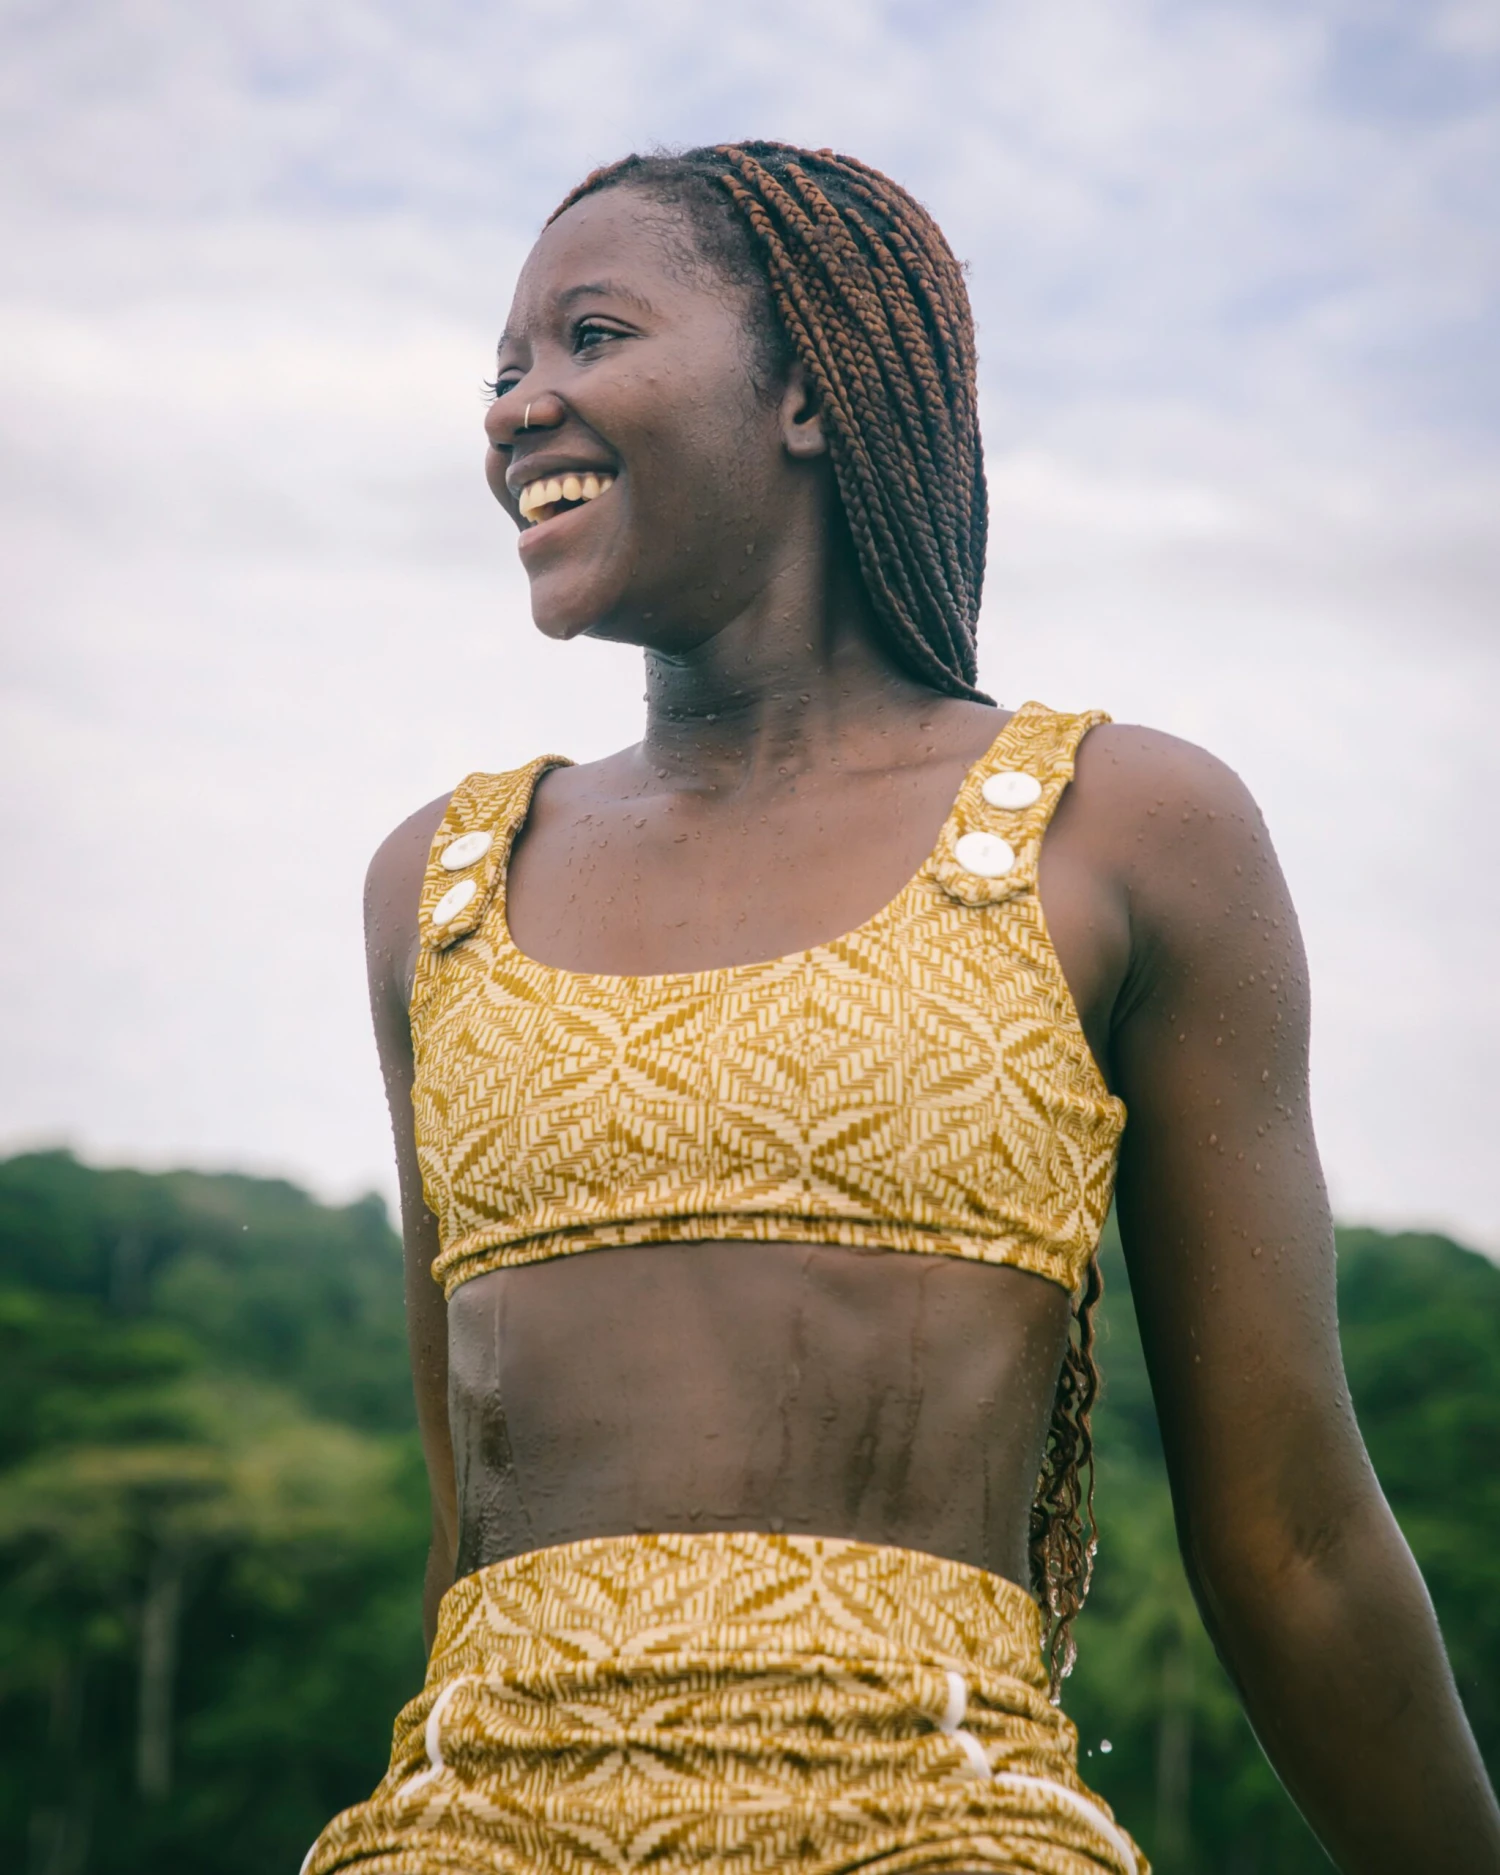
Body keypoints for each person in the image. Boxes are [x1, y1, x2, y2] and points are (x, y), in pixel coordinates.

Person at [304, 143, 1500, 1875]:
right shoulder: (437, 885)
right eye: (502, 370)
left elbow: (1292, 1543)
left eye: (590, 336)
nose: (516, 408)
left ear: (806, 389)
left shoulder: (1126, 835)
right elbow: (466, 1546)